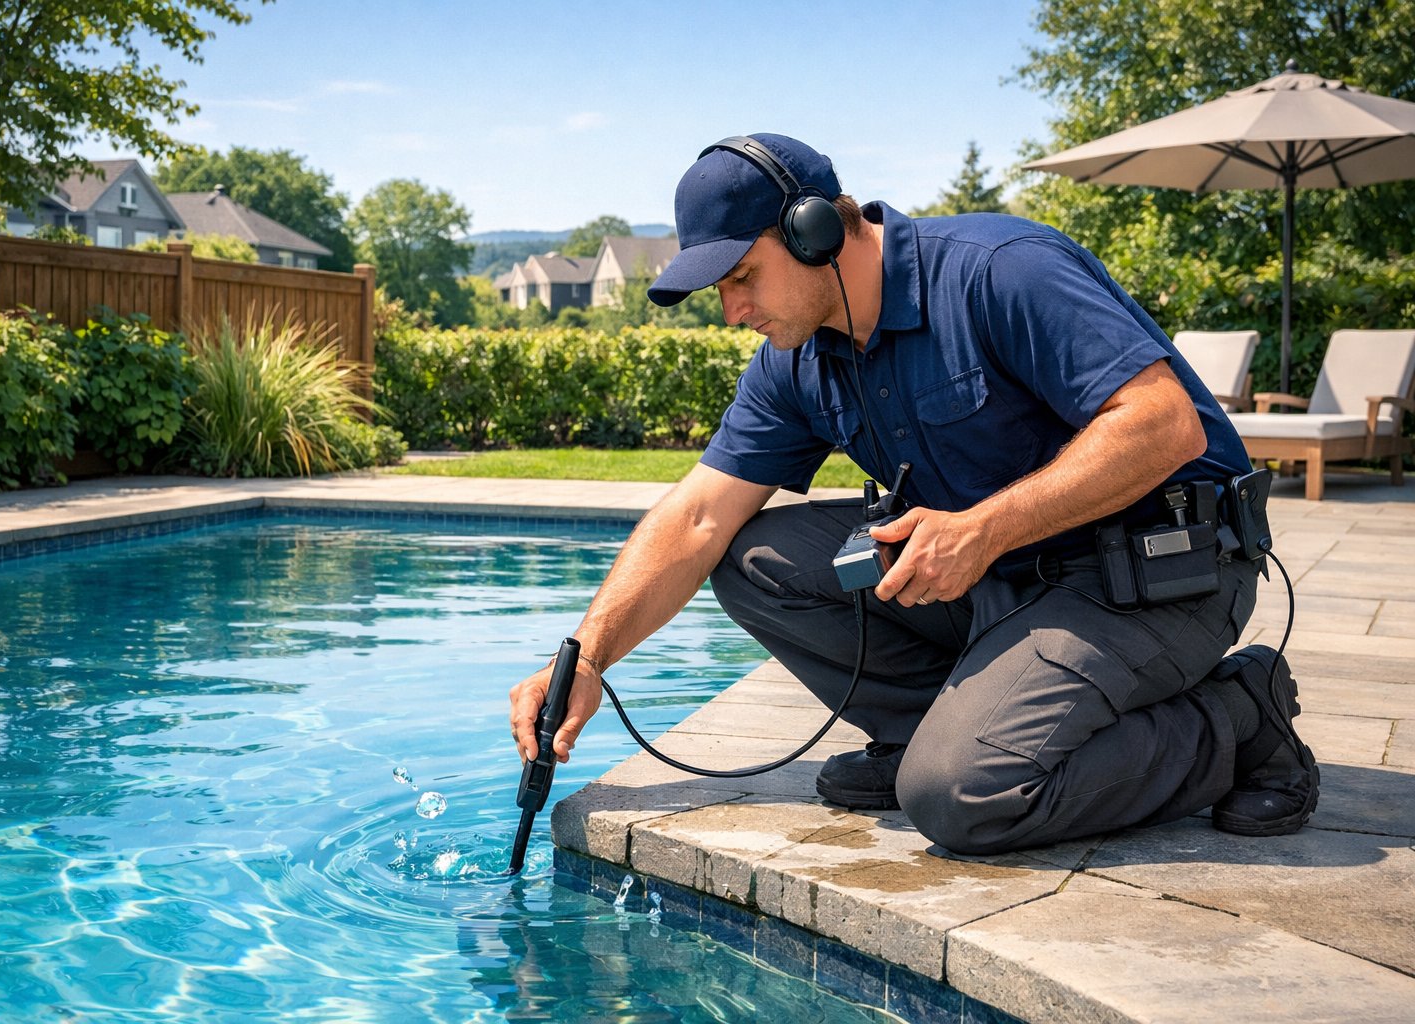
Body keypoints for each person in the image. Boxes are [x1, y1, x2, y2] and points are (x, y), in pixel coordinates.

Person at [509, 133, 1318, 855]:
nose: (732, 311)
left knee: (963, 797)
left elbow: (1162, 424)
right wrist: (587, 657)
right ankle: (930, 731)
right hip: (1005, 583)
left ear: (814, 230)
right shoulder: (795, 361)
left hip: (1155, 578)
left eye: (743, 277)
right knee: (756, 558)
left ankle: (1240, 719)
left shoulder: (1001, 271)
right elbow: (696, 518)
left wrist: (985, 530)